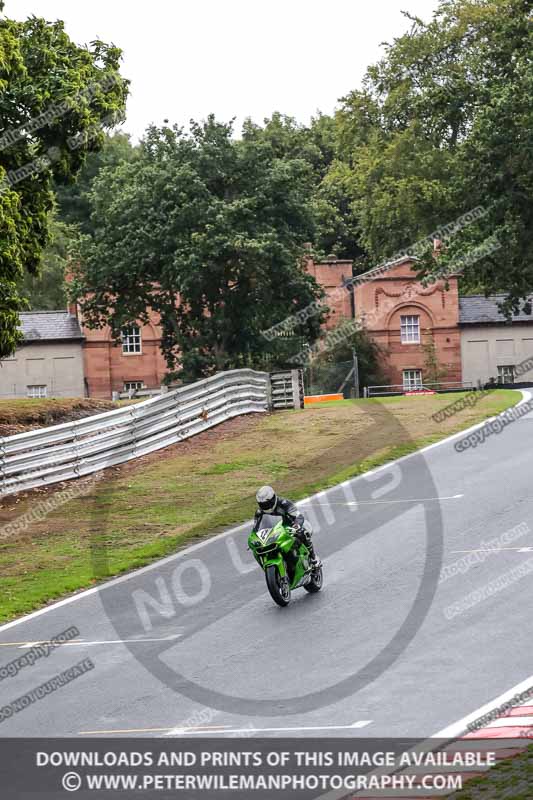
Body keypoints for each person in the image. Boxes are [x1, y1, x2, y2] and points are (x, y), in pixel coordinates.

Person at [252, 485, 321, 568]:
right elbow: (256, 528)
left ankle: (313, 558)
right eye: (263, 504)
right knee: (257, 548)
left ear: (273, 498)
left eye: (267, 503)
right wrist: (254, 538)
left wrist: (296, 526)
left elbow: (298, 516)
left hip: (290, 527)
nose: (265, 506)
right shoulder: (259, 512)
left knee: (303, 532)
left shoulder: (284, 503)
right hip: (274, 531)